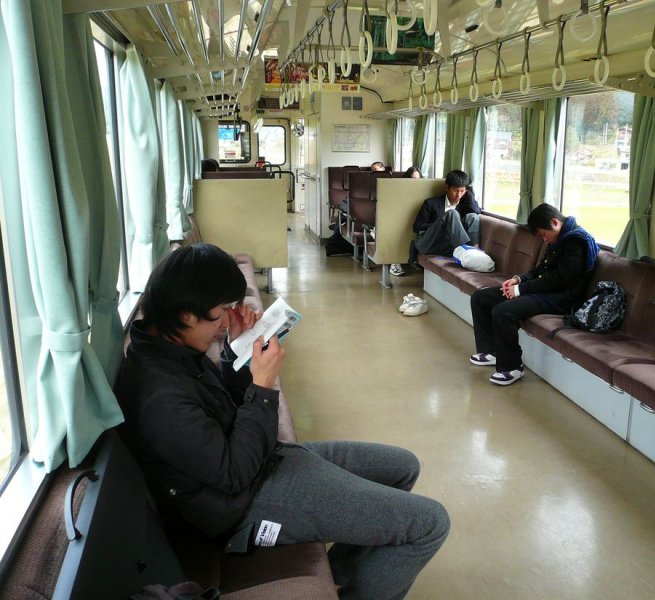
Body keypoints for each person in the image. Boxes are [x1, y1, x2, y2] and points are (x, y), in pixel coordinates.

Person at [115, 243, 450, 600]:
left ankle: (341, 574)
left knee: (402, 467)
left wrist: (234, 350)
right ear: (185, 315)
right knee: (430, 524)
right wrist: (262, 386)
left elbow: (223, 407)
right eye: (220, 314)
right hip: (245, 504)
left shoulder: (169, 348)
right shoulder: (158, 395)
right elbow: (233, 474)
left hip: (265, 460)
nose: (225, 321)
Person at [469, 204, 599, 386]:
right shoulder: (559, 238)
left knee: (503, 311)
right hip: (546, 290)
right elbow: (542, 269)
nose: (544, 240)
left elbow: (560, 280)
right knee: (480, 298)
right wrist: (518, 280)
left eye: (543, 234)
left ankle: (512, 367)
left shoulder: (575, 241)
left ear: (555, 222)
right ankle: (491, 351)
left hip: (562, 298)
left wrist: (522, 290)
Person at [391, 170, 480, 277]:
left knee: (472, 217)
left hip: (448, 245)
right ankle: (465, 254)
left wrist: (469, 195)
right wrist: (440, 225)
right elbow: (416, 227)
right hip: (428, 243)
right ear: (447, 187)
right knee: (451, 214)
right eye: (455, 190)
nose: (459, 195)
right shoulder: (431, 203)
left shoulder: (465, 203)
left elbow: (476, 212)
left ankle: (475, 251)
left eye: (462, 191)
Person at [389, 166, 424, 276]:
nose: (415, 182)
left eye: (418, 179)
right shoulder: (397, 192)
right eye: (412, 179)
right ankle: (395, 262)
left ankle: (413, 259)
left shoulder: (423, 193)